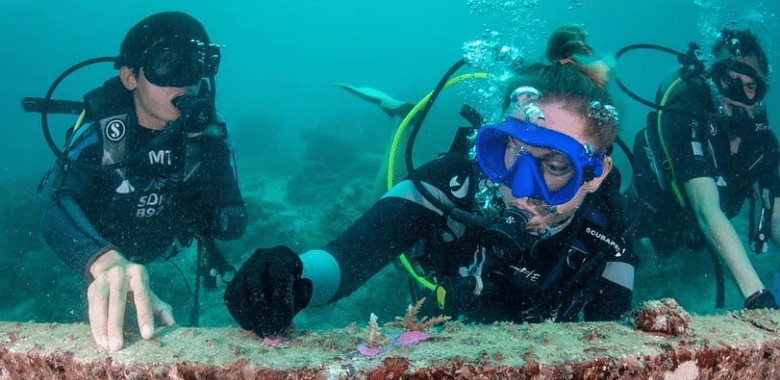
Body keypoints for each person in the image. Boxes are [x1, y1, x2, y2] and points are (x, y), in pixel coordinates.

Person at [224, 25, 637, 337]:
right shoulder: (450, 185)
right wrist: (294, 277)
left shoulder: (609, 229)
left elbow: (606, 335)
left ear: (596, 173)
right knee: (389, 181)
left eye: (556, 166)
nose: (521, 188)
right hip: (441, 319)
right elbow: (346, 259)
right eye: (511, 149)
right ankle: (398, 113)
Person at [41, 11, 247, 351]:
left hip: (163, 247)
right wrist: (102, 260)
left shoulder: (208, 136)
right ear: (130, 77)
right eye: (166, 64)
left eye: (195, 65)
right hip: (104, 253)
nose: (184, 83)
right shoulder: (102, 135)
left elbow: (233, 218)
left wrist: (211, 216)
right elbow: (56, 207)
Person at [625, 29, 779, 309]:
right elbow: (707, 210)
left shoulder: (762, 140)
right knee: (620, 244)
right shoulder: (687, 118)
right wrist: (758, 298)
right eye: (729, 80)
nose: (738, 95)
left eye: (750, 86)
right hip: (650, 211)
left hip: (698, 234)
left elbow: (777, 214)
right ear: (712, 78)